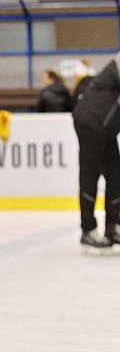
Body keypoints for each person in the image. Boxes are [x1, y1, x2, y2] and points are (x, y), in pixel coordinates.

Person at [71, 54, 120, 252]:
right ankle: (88, 230)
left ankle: (112, 226)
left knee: (116, 175)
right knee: (90, 175)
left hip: (106, 127)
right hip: (91, 122)